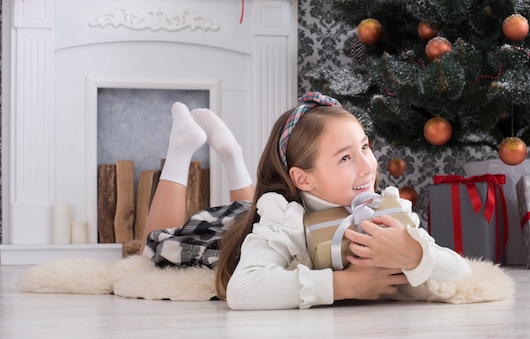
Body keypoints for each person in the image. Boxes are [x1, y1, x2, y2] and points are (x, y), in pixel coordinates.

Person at [141, 92, 487, 310]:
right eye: (345, 158)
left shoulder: (383, 208)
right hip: (223, 232)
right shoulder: (282, 218)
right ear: (303, 179)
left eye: (365, 147)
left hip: (256, 211)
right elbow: (243, 289)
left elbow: (462, 271)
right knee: (154, 242)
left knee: (250, 210)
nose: (368, 165)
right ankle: (183, 147)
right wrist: (343, 285)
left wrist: (412, 252)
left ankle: (232, 156)